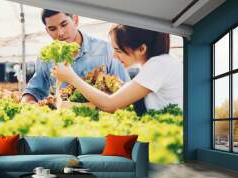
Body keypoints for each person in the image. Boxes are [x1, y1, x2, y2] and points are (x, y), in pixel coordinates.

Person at [52, 24, 183, 112]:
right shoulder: (159, 64)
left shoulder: (160, 65)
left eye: (118, 50)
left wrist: (72, 77)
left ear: (141, 49)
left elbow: (110, 104)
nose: (114, 56)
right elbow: (118, 99)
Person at [21, 9, 129, 103]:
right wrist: (29, 103)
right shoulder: (46, 58)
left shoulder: (106, 50)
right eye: (52, 29)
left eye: (64, 24)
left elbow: (126, 90)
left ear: (75, 20)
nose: (60, 33)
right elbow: (33, 91)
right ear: (47, 31)